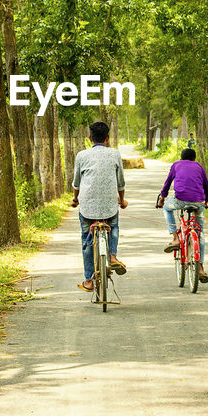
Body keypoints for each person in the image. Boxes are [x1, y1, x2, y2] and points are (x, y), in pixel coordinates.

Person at [71, 121, 127, 292]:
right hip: (110, 205)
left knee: (86, 241)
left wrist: (75, 199)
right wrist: (122, 201)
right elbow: (120, 183)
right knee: (114, 225)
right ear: (107, 138)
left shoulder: (81, 155)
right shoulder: (115, 154)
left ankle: (88, 280)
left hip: (87, 207)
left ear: (90, 138)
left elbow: (76, 183)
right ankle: (112, 255)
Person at [157, 148, 208, 283]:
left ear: (181, 158)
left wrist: (162, 198)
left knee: (167, 209)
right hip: (199, 202)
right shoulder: (199, 166)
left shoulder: (176, 165)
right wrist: (206, 200)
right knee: (200, 231)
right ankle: (200, 267)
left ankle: (175, 238)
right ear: (194, 158)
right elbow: (206, 186)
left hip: (180, 200)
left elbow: (167, 183)